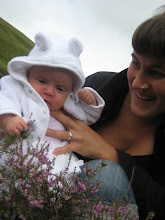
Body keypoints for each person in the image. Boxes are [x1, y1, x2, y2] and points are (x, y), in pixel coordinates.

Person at [45, 8, 165, 220]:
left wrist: (113, 157)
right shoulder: (96, 87)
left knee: (106, 174)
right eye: (136, 63)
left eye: (156, 73)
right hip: (38, 194)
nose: (137, 83)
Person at [0, 32, 105, 178]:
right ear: (29, 73)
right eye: (42, 81)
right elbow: (4, 101)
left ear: (70, 91)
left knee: (61, 182)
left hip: (57, 160)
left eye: (60, 88)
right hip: (19, 154)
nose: (49, 91)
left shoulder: (66, 104)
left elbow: (89, 117)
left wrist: (91, 100)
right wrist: (9, 119)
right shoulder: (18, 88)